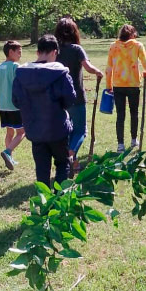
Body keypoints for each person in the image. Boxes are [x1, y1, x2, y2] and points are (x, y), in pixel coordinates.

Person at [12, 34, 77, 186]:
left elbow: (16, 101)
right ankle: (59, 200)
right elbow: (69, 100)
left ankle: (44, 202)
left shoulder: (22, 75)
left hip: (35, 130)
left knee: (41, 169)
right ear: (55, 52)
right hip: (57, 129)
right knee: (62, 163)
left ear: (38, 52)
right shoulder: (60, 74)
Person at [54, 18, 103, 176]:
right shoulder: (77, 49)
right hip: (76, 97)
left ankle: (73, 164)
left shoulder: (55, 50)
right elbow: (88, 67)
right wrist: (98, 72)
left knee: (67, 130)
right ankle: (71, 155)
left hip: (59, 98)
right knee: (81, 131)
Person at [106, 24, 146, 152]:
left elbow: (108, 69)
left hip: (118, 85)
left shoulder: (113, 46)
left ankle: (120, 144)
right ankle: (133, 139)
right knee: (134, 113)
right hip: (133, 84)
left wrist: (108, 86)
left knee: (120, 115)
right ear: (132, 34)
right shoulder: (138, 45)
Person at [0, 41, 25, 170]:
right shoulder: (16, 66)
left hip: (3, 107)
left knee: (9, 132)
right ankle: (8, 152)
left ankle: (10, 158)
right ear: (11, 52)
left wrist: (2, 98)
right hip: (15, 106)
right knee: (22, 132)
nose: (20, 55)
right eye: (19, 52)